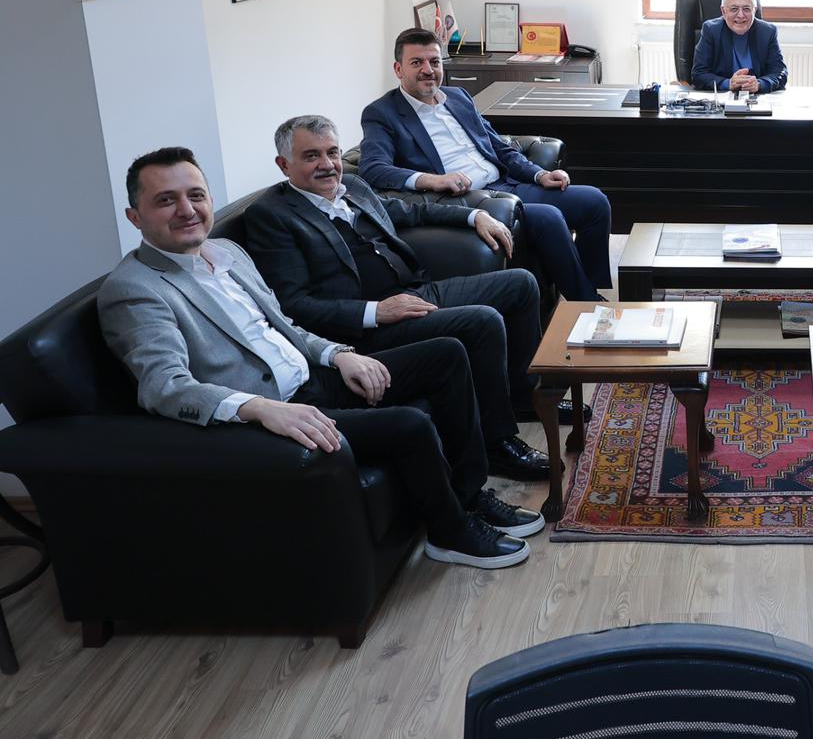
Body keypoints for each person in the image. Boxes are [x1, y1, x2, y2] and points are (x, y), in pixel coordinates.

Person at [97, 147, 541, 569]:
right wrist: (259, 408)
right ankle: (449, 533)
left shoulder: (227, 252)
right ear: (135, 217)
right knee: (410, 423)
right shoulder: (135, 289)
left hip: (314, 376)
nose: (187, 210)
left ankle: (469, 495)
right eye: (166, 201)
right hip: (277, 411)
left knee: (447, 354)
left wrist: (338, 354)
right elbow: (165, 387)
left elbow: (283, 324)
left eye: (196, 195)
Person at [245, 114, 555, 480]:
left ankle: (523, 400)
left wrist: (474, 216)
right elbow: (293, 306)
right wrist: (375, 311)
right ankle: (496, 443)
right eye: (312, 156)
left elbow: (412, 211)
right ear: (284, 165)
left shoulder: (353, 187)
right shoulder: (272, 216)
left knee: (520, 283)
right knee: (483, 321)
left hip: (415, 291)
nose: (327, 165)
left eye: (332, 152)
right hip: (369, 327)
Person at [359, 28, 613, 299]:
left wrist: (539, 174)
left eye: (434, 61)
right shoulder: (382, 113)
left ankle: (590, 288)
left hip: (504, 184)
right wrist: (432, 180)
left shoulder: (458, 97)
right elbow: (373, 169)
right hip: (469, 199)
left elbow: (497, 146)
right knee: (548, 217)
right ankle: (586, 303)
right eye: (416, 62)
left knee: (594, 202)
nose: (428, 70)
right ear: (398, 69)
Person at [690, 0, 787, 94]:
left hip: (756, 98)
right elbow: (699, 74)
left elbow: (780, 72)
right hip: (722, 97)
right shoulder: (711, 30)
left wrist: (759, 84)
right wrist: (728, 83)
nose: (741, 15)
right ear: (723, 11)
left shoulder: (767, 31)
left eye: (746, 9)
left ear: (754, 10)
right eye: (734, 9)